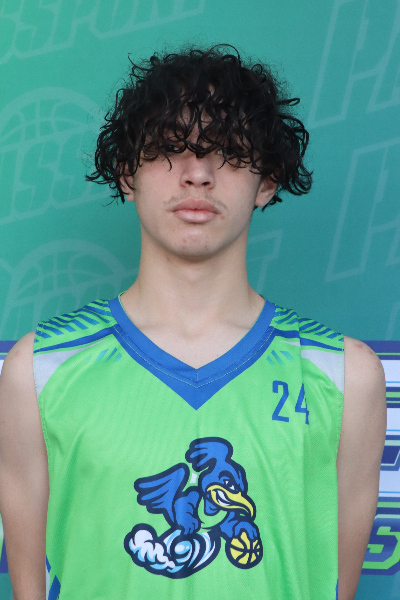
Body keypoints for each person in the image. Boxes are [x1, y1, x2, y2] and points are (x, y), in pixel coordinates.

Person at [0, 45, 386, 600]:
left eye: (229, 151)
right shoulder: (40, 372)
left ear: (268, 181)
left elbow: (332, 585)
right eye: (168, 148)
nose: (198, 174)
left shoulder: (345, 377)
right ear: (127, 173)